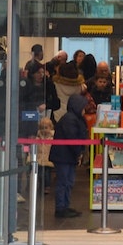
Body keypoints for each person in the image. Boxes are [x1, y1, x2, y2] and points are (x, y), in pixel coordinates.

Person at [49, 92, 90, 220]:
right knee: (64, 181)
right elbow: (73, 138)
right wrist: (78, 153)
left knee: (68, 181)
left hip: (66, 155)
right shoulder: (71, 119)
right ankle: (61, 207)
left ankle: (64, 206)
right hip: (64, 156)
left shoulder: (73, 118)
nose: (85, 109)